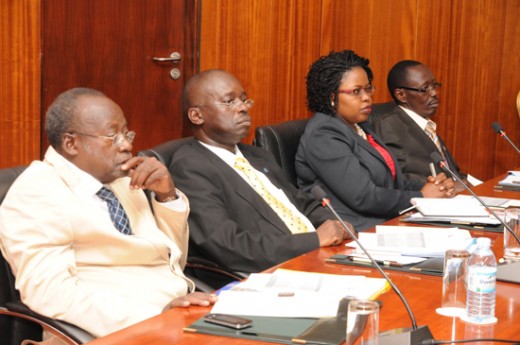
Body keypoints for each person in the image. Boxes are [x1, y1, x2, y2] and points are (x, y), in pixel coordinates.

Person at [0, 88, 217, 339]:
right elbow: (50, 293)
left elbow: (171, 261)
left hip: (179, 315)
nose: (127, 145)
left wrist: (166, 197)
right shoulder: (37, 193)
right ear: (71, 143)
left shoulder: (121, 179)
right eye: (112, 136)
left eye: (126, 133)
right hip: (114, 331)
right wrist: (153, 317)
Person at [169, 69, 349, 285]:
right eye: (229, 102)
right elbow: (227, 244)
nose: (243, 108)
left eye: (244, 100)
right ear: (197, 115)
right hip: (274, 272)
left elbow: (300, 203)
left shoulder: (258, 155)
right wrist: (314, 240)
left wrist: (336, 226)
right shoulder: (190, 167)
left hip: (320, 256)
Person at [295, 50, 454, 231]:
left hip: (387, 221)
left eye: (368, 88)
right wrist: (421, 196)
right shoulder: (323, 135)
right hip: (356, 232)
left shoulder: (359, 126)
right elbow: (363, 197)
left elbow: (391, 178)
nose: (366, 97)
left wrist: (432, 186)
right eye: (356, 91)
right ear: (332, 97)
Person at [373, 60, 467, 186]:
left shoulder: (426, 124)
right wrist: (442, 186)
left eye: (434, 86)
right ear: (401, 95)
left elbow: (453, 172)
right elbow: (395, 176)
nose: (434, 93)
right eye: (425, 89)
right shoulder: (388, 126)